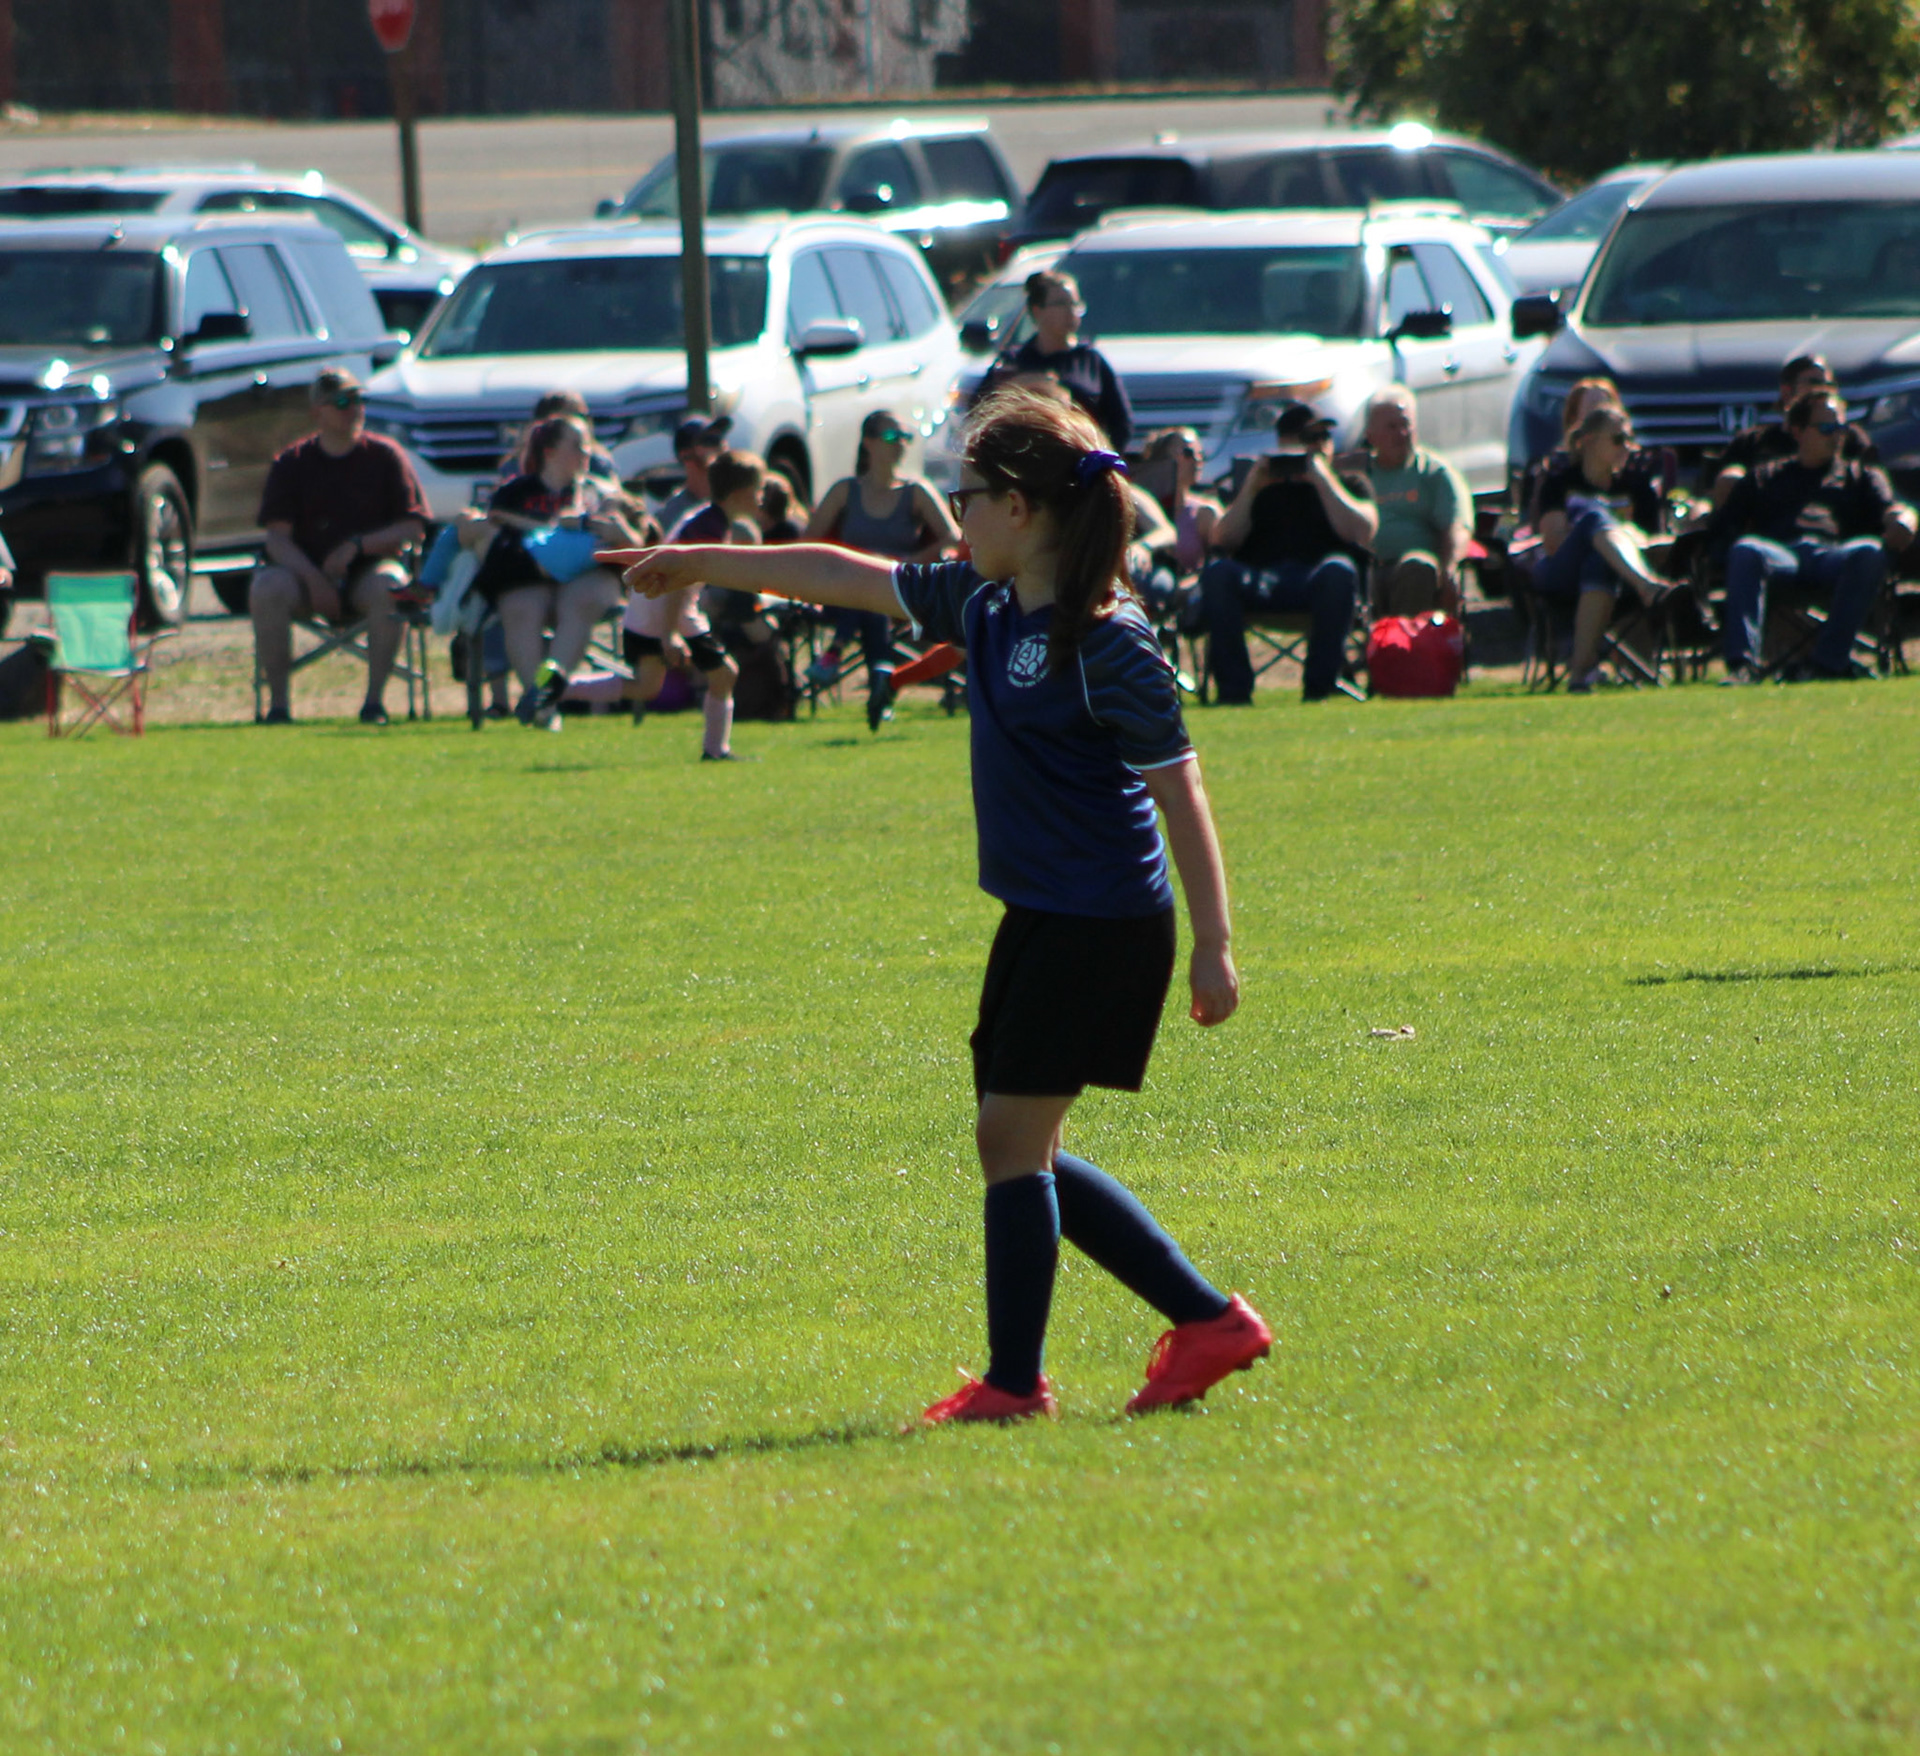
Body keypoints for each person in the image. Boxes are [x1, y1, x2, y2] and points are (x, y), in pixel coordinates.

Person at [614, 386, 1271, 1422]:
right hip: (1040, 914)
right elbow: (843, 573)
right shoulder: (982, 602)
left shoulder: (1108, 641)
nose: (952, 516)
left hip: (1102, 923)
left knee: (1011, 1141)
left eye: (964, 497)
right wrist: (701, 561)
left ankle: (1020, 1383)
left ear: (1019, 508)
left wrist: (1214, 944)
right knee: (1017, 1147)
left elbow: (1179, 789)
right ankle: (1203, 1322)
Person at [250, 369, 430, 725]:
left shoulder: (385, 456)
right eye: (343, 402)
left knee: (391, 584)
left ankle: (374, 703)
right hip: (305, 577)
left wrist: (357, 546)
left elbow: (413, 527)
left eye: (359, 399)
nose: (354, 409)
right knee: (267, 586)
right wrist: (314, 580)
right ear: (317, 411)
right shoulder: (292, 463)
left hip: (367, 574)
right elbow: (276, 538)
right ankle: (278, 707)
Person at [1714, 386, 1915, 683]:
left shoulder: (1861, 475)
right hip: (1781, 554)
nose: (1837, 436)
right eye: (1826, 428)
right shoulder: (1765, 475)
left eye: (1841, 428)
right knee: (1747, 549)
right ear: (1798, 431)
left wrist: (1905, 519)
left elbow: (1892, 510)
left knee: (1870, 551)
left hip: (1835, 555)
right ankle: (1742, 667)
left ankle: (1827, 662)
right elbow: (1726, 524)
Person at [1198, 402, 1375, 702]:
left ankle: (1319, 688)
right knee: (1218, 574)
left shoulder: (1347, 483)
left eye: (1325, 437)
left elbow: (1364, 530)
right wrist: (1252, 488)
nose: (1320, 445)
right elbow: (1221, 540)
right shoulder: (1261, 486)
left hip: (1319, 581)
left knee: (1339, 570)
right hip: (1262, 580)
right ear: (1284, 444)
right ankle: (1233, 692)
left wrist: (1322, 480)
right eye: (1310, 438)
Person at [474, 414, 640, 726]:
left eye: (587, 444)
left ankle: (542, 695)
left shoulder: (602, 494)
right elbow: (490, 536)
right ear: (549, 452)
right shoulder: (515, 493)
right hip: (531, 573)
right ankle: (543, 709)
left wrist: (619, 532)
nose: (586, 452)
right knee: (521, 608)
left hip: (592, 575)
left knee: (578, 602)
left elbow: (641, 541)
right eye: (577, 445)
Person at [804, 410, 961, 729]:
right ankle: (882, 680)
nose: (900, 444)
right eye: (891, 436)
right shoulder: (845, 490)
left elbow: (952, 538)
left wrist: (906, 564)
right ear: (868, 442)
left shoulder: (915, 491)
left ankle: (835, 652)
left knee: (873, 590)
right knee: (867, 590)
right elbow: (809, 541)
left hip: (898, 588)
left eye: (905, 437)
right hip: (844, 590)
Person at [624, 448, 768, 759]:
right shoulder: (709, 528)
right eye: (758, 490)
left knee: (646, 686)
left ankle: (557, 687)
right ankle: (715, 751)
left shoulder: (712, 520)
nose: (761, 498)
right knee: (723, 673)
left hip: (661, 606)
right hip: (666, 607)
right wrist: (670, 634)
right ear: (741, 494)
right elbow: (679, 581)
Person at [1529, 404, 1678, 691]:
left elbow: (1653, 540)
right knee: (1595, 518)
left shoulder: (1637, 486)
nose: (1627, 447)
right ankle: (1647, 586)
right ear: (1589, 441)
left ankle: (1580, 674)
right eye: (1618, 439)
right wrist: (1601, 533)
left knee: (1599, 565)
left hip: (1614, 576)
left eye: (1629, 439)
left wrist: (1621, 539)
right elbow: (1554, 543)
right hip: (1561, 572)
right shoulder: (1561, 483)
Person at [976, 271, 1133, 450]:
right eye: (1061, 304)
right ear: (1038, 311)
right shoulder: (1015, 361)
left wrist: (1101, 455)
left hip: (1082, 456)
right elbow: (980, 410)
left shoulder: (1090, 360)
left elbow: (1122, 423)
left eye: (1074, 303)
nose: (1071, 311)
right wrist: (1023, 384)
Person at [1354, 387, 1473, 617]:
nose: (1401, 433)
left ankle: (1405, 638)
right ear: (1370, 436)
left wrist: (1450, 569)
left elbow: (1456, 526)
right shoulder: (1358, 475)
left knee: (1417, 566)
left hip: (1416, 573)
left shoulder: (1434, 473)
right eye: (1391, 427)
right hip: (1368, 571)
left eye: (1405, 424)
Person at [1711, 354, 1875, 511]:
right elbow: (1710, 492)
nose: (1823, 390)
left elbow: (1873, 482)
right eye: (1815, 383)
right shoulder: (1754, 441)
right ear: (1787, 391)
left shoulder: (1848, 436)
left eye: (1829, 385)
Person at [659, 415, 733, 534]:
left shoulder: (736, 500)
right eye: (710, 441)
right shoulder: (672, 514)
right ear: (685, 455)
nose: (721, 446)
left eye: (720, 438)